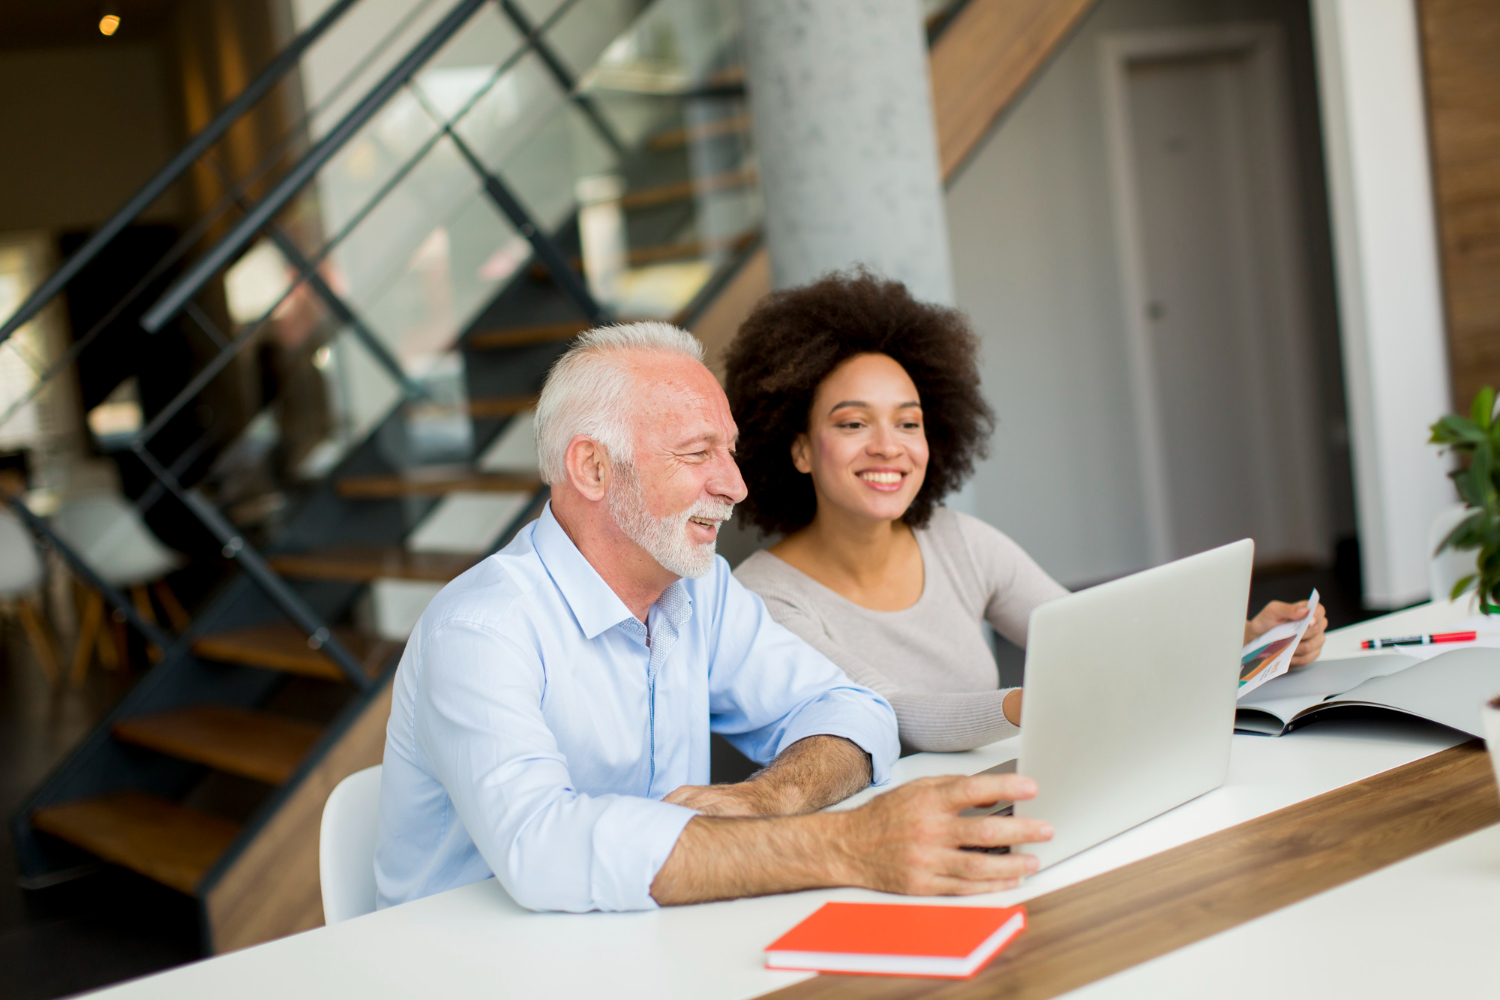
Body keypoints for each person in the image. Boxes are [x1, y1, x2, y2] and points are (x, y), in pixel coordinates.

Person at [374, 321, 1054, 914]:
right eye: (698, 454)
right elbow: (543, 848)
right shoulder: (482, 630)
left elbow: (851, 709)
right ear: (592, 467)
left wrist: (773, 800)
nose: (734, 485)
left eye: (727, 452)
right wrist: (847, 845)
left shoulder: (700, 590)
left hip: (644, 943)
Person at [725, 272, 1327, 753]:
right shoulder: (764, 597)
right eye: (853, 423)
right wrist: (1033, 703)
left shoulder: (956, 541)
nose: (889, 446)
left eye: (909, 422)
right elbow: (890, 711)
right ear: (798, 447)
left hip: (998, 797)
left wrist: (1242, 643)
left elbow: (1094, 638)